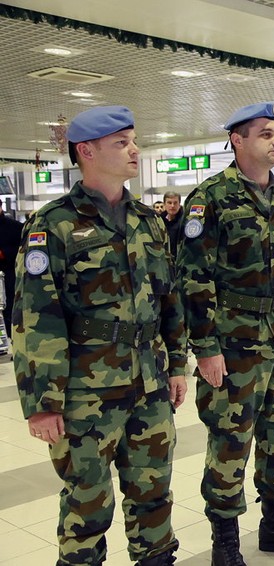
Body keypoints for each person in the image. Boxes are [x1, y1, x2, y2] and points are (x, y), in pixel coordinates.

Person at [12, 106, 188, 566]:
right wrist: (43, 403)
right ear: (86, 151)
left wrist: (177, 363)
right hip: (86, 392)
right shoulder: (52, 225)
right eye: (122, 143)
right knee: (88, 501)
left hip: (149, 383)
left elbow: (169, 299)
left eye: (133, 140)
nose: (135, 150)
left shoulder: (148, 222)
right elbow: (35, 317)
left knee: (154, 491)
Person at [178, 102, 274, 563]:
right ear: (238, 141)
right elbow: (192, 278)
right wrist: (205, 347)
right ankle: (225, 541)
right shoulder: (211, 199)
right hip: (234, 343)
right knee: (230, 439)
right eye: (265, 134)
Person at [0, 199, 23, 340]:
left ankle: (12, 338)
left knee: (10, 308)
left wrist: (3, 253)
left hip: (9, 274)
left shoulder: (15, 227)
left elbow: (21, 251)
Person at [160, 191, 183, 258]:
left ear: (179, 204)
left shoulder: (185, 221)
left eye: (175, 203)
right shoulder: (159, 220)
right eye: (169, 203)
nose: (172, 206)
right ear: (164, 204)